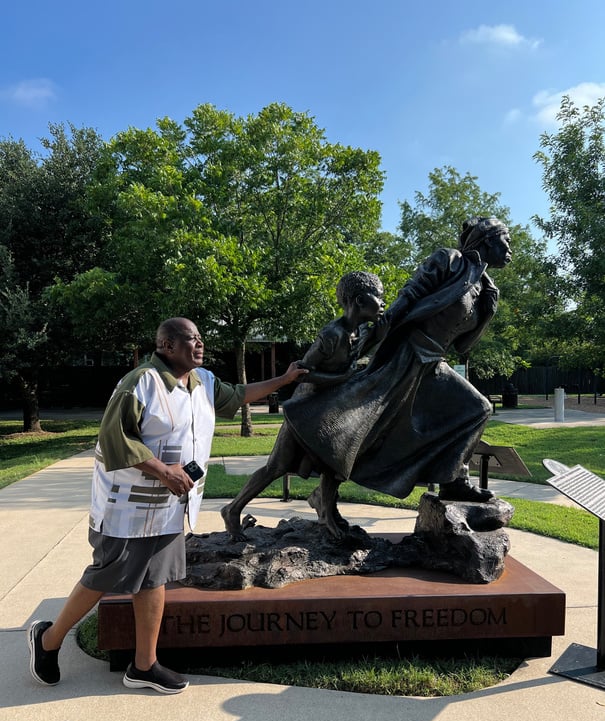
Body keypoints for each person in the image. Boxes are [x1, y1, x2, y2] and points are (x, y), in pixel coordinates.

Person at [28, 317, 307, 694]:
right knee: (106, 575)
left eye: (201, 339)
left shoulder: (203, 382)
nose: (200, 345)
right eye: (191, 339)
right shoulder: (139, 383)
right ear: (166, 345)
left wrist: (284, 380)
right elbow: (115, 438)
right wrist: (163, 471)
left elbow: (239, 394)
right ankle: (48, 640)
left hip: (170, 504)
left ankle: (144, 665)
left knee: (155, 578)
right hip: (127, 505)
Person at [283, 217, 511, 503]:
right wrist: (373, 335)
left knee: (476, 409)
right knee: (363, 426)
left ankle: (454, 481)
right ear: (488, 239)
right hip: (407, 354)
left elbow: (463, 346)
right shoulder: (450, 261)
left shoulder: (485, 286)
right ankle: (324, 495)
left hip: (434, 362)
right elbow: (409, 295)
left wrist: (488, 310)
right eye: (507, 240)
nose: (510, 248)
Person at [221, 271, 386, 538]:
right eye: (378, 298)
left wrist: (379, 336)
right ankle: (233, 509)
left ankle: (326, 513)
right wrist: (341, 377)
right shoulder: (331, 334)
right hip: (306, 410)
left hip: (330, 408)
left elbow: (358, 353)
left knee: (335, 463)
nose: (382, 303)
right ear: (358, 301)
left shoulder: (359, 331)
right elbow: (304, 371)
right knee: (276, 467)